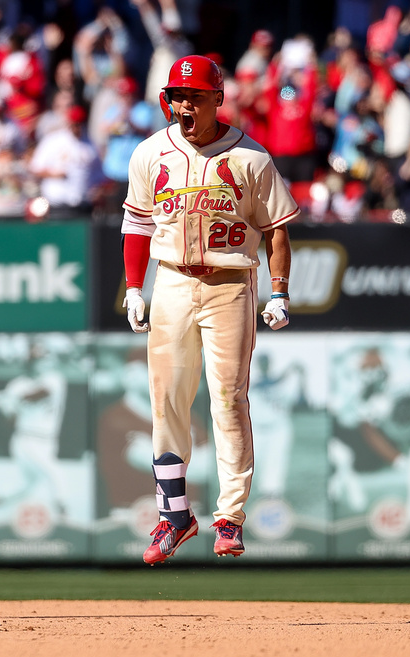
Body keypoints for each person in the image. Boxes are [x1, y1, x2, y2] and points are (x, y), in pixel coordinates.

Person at [121, 55, 298, 564]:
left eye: (195, 96)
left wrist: (280, 290)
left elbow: (276, 229)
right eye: (178, 96)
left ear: (217, 99)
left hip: (230, 283)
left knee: (228, 399)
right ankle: (173, 516)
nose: (184, 104)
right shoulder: (151, 153)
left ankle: (230, 516)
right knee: (166, 399)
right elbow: (136, 223)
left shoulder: (252, 157)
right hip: (172, 280)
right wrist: (135, 287)